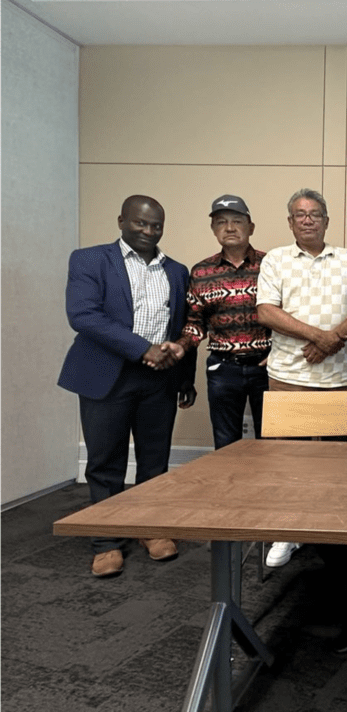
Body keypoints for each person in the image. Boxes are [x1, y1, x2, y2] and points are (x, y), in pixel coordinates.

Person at [58, 195, 196, 577]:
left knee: (155, 461)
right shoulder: (88, 260)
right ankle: (106, 541)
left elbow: (186, 325)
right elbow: (83, 315)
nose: (149, 232)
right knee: (105, 462)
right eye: (140, 223)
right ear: (121, 220)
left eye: (156, 226)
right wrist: (142, 350)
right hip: (108, 375)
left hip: (160, 379)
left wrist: (185, 377)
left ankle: (150, 530)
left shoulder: (177, 270)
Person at [256, 188, 347, 568]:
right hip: (290, 377)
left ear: (326, 220)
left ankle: (331, 528)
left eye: (315, 213)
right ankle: (287, 530)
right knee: (289, 461)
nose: (307, 219)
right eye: (299, 214)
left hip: (340, 380)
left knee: (336, 462)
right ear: (290, 223)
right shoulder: (275, 260)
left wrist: (333, 339)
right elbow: (266, 312)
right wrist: (317, 336)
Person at [176, 195, 271, 449]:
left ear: (250, 227)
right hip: (223, 370)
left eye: (237, 221)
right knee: (226, 444)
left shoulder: (272, 265)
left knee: (274, 442)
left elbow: (290, 314)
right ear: (213, 229)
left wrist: (281, 352)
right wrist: (182, 345)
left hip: (268, 367)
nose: (229, 228)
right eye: (221, 222)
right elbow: (195, 323)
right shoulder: (201, 271)